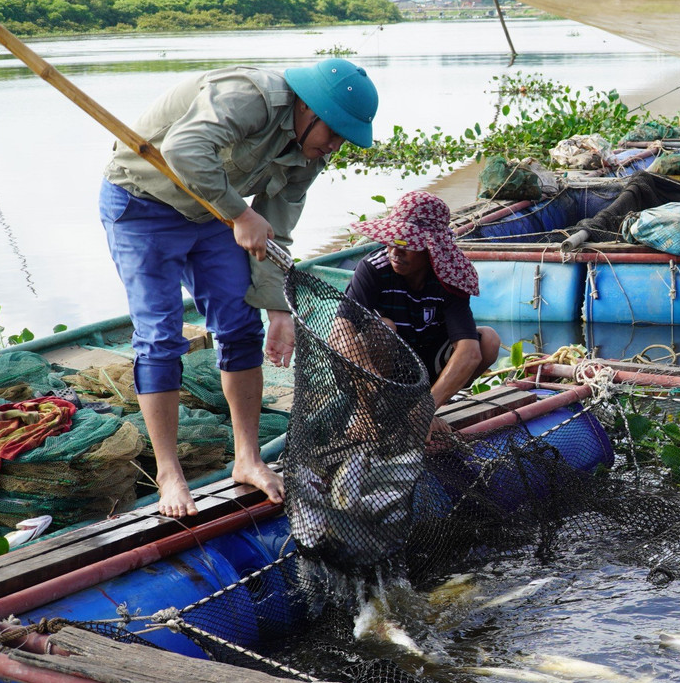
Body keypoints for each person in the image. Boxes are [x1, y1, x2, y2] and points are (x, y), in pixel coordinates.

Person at [99, 59, 379, 518]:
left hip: (212, 214)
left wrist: (279, 309)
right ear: (307, 108)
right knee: (161, 337)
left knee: (240, 325)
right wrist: (242, 213)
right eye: (331, 132)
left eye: (342, 140)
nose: (332, 146)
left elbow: (276, 233)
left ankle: (248, 459)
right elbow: (185, 149)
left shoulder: (311, 154)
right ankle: (170, 473)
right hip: (142, 202)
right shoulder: (250, 95)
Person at [343, 190, 500, 434]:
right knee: (383, 327)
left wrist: (424, 410)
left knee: (488, 340)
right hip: (384, 371)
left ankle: (422, 409)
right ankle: (368, 413)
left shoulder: (449, 277)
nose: (395, 252)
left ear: (431, 249)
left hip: (426, 366)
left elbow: (469, 352)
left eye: (406, 244)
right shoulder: (373, 269)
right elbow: (340, 334)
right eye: (391, 241)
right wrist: (373, 387)